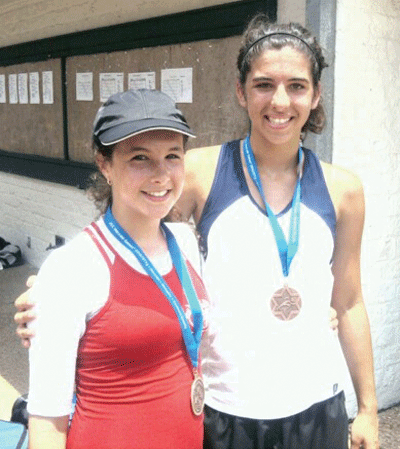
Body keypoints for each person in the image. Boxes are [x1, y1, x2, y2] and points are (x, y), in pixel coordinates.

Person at [15, 14, 379, 449]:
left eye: (297, 86)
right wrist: (54, 292)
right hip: (227, 405)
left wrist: (369, 408)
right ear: (241, 92)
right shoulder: (200, 172)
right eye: (264, 84)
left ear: (316, 95)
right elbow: (132, 234)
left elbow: (351, 300)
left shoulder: (344, 190)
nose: (280, 101)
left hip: (316, 401)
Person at [25, 88, 209, 449]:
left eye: (173, 155)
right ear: (104, 165)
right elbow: (47, 418)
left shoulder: (185, 241)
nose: (161, 174)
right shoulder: (73, 268)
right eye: (140, 158)